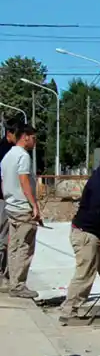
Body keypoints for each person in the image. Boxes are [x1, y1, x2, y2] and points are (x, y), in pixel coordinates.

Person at [58, 145, 100, 324]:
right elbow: (96, 212)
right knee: (86, 273)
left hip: (98, 233)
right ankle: (69, 310)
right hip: (88, 234)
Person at [0, 124, 39, 299]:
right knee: (25, 248)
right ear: (25, 137)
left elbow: (3, 181)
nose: (35, 142)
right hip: (23, 208)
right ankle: (18, 285)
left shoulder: (8, 156)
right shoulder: (23, 156)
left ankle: (12, 281)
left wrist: (9, 198)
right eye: (33, 138)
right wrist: (34, 205)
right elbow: (24, 181)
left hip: (11, 206)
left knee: (14, 246)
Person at [0, 119, 18, 287]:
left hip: (10, 198)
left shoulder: (14, 150)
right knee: (2, 237)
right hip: (3, 199)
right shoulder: (4, 150)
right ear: (9, 133)